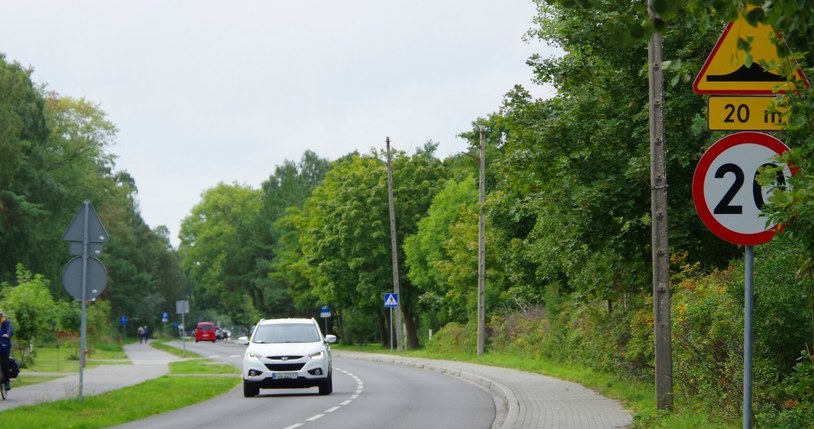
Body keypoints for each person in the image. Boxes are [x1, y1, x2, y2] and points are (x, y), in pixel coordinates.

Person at [0, 310, 13, 391]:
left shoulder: (6, 323)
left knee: (5, 364)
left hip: (4, 347)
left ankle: (6, 382)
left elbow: (10, 330)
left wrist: (7, 334)